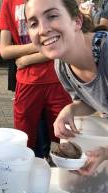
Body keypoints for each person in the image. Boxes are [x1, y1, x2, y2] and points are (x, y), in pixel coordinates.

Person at [25, 0, 108, 175]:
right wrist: (69, 110)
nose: (42, 30)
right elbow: (93, 100)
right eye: (33, 23)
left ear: (77, 21)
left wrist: (106, 152)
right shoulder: (62, 66)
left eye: (52, 16)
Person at [0, 0, 72, 158]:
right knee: (24, 143)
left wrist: (28, 59)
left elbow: (66, 40)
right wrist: (40, 44)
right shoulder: (9, 3)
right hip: (27, 83)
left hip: (59, 79)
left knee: (66, 143)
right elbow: (4, 50)